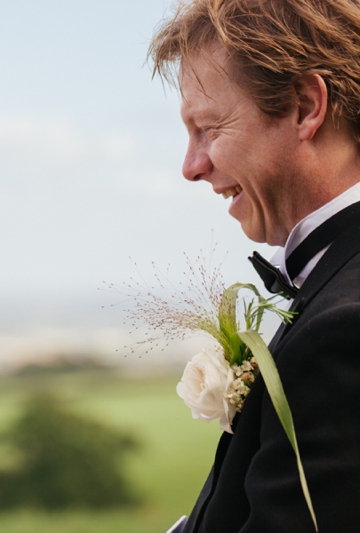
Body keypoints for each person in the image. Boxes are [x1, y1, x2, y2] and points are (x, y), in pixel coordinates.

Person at [150, 1, 360, 532]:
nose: (191, 167)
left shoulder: (345, 327)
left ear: (305, 106)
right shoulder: (330, 284)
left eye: (209, 128)